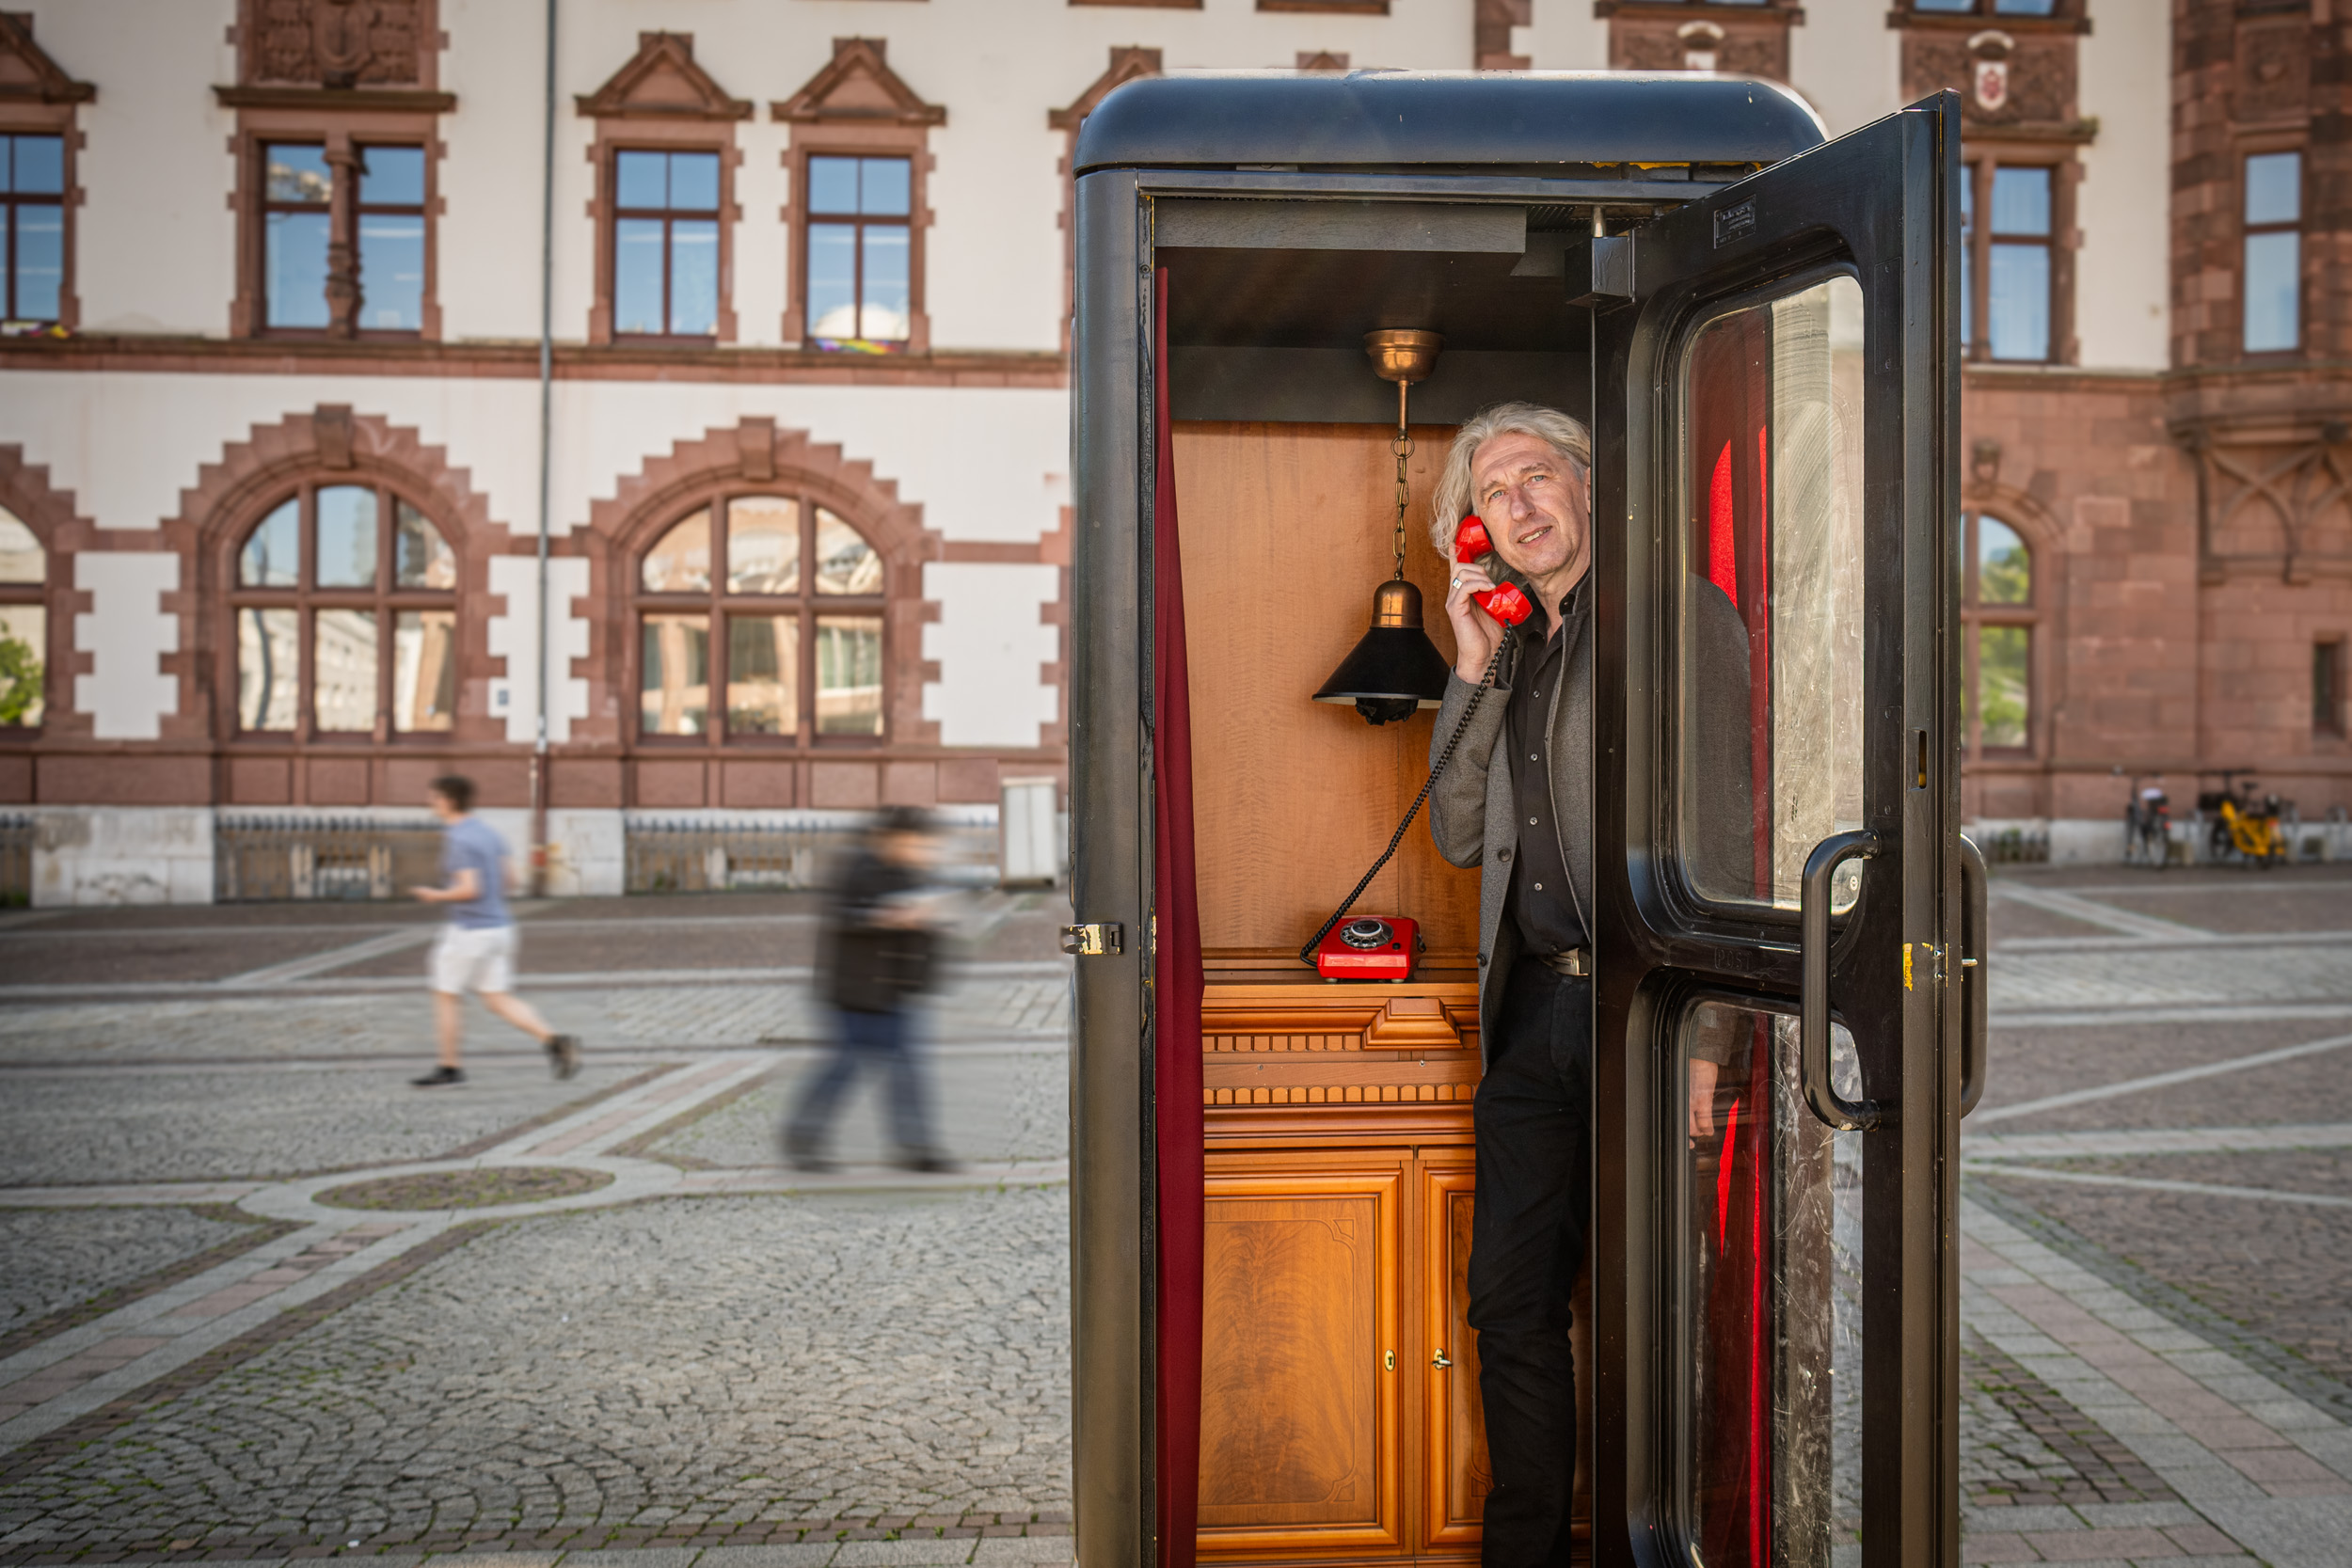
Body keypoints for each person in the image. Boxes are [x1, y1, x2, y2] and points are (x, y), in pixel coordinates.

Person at [1428, 403, 1731, 1566]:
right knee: (1508, 1304)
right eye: (1491, 494)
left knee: (1646, 1306)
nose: (1517, 505)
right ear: (1476, 533)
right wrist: (1471, 664)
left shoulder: (1674, 616)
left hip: (1644, 1010)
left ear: (1589, 486)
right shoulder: (1509, 648)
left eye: (1535, 476)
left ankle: (1654, 1546)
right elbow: (1459, 833)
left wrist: (1705, 1038)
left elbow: (1730, 828)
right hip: (1531, 1017)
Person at [784, 807, 956, 1173]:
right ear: (894, 839)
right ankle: (803, 1136)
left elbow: (923, 934)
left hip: (897, 992)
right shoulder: (858, 867)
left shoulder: (913, 873)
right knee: (843, 1067)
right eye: (917, 844)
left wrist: (932, 927)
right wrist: (884, 917)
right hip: (855, 992)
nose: (923, 851)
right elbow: (841, 916)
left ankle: (916, 1147)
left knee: (906, 1071)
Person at [407, 774, 580, 1088]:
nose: (430, 803)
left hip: (468, 932)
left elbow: (470, 889)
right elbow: (510, 880)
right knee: (497, 999)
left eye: (433, 798)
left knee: (446, 996)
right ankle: (555, 1041)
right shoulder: (489, 833)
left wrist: (435, 895)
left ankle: (449, 1066)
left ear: (448, 801)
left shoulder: (459, 839)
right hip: (500, 928)